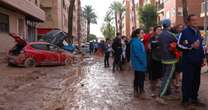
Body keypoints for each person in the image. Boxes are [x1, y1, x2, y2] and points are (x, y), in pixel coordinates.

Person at [177, 14, 205, 107]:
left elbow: (200, 46)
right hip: (188, 62)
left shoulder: (198, 31)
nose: (195, 22)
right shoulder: (183, 32)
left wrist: (203, 57)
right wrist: (191, 46)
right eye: (193, 20)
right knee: (187, 81)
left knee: (196, 81)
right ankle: (185, 100)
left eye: (196, 20)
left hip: (197, 61)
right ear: (188, 22)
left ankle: (194, 98)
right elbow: (179, 46)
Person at [156, 19, 178, 104]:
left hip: (163, 59)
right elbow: (178, 42)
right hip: (170, 59)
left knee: (165, 76)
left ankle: (167, 93)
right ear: (169, 25)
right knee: (167, 78)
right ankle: (160, 96)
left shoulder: (160, 35)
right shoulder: (171, 34)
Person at [130, 28, 147, 98]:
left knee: (137, 78)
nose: (143, 34)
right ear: (138, 34)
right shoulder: (136, 42)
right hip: (139, 64)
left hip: (139, 63)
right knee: (140, 78)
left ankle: (136, 91)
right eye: (142, 33)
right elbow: (138, 54)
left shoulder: (138, 41)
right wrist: (144, 63)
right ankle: (141, 92)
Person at [148, 26, 163, 96]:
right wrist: (155, 46)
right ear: (155, 31)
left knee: (161, 76)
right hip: (154, 59)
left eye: (160, 30)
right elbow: (149, 47)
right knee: (153, 77)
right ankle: (152, 92)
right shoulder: (152, 38)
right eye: (158, 30)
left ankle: (161, 92)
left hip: (162, 59)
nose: (159, 31)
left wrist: (156, 46)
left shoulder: (163, 38)